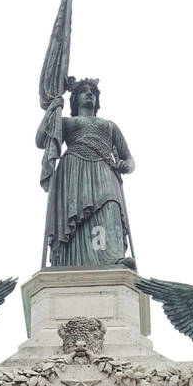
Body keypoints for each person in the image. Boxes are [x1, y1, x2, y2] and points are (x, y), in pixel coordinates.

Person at [36, 78, 135, 268]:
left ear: (97, 100)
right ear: (75, 99)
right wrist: (52, 108)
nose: (89, 93)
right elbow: (41, 140)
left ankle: (113, 257)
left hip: (104, 168)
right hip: (73, 171)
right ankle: (69, 261)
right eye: (84, 91)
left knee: (110, 206)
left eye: (93, 92)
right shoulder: (66, 122)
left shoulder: (110, 125)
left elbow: (130, 159)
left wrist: (125, 165)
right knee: (75, 216)